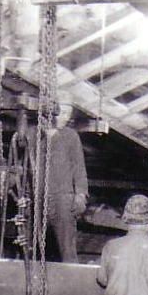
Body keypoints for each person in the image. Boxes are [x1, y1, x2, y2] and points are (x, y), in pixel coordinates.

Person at [37, 102, 88, 263]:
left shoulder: (71, 136)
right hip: (37, 197)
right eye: (63, 112)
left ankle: (72, 281)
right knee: (35, 245)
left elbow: (79, 167)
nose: (66, 117)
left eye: (69, 114)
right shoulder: (35, 133)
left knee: (67, 248)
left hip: (63, 198)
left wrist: (81, 195)